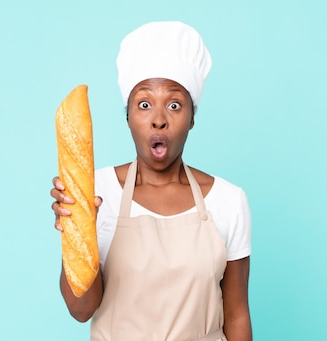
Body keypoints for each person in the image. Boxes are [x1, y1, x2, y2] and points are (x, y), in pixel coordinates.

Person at [50, 21, 252, 341]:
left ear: (192, 117)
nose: (159, 118)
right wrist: (76, 228)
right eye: (144, 104)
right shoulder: (96, 192)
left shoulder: (228, 201)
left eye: (174, 104)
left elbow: (237, 314)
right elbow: (81, 309)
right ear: (128, 115)